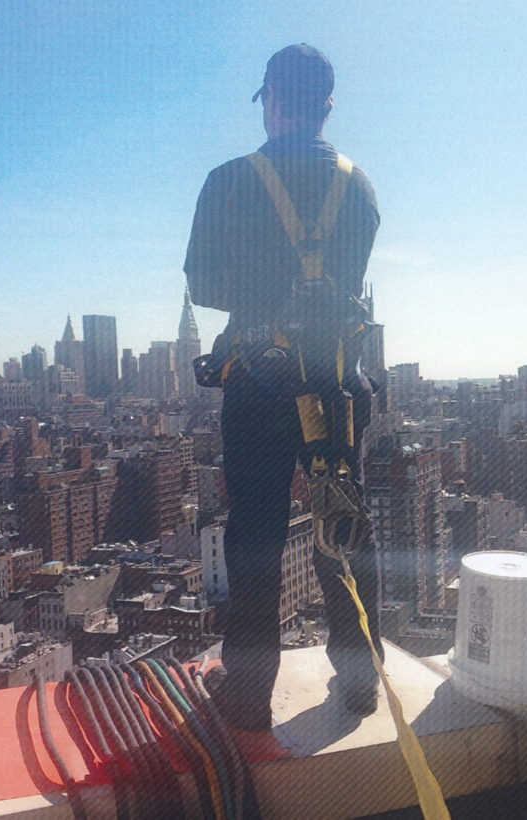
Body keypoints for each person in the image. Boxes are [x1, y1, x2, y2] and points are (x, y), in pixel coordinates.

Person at [184, 44, 384, 733]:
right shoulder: (359, 187)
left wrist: (261, 285)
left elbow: (205, 290)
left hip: (260, 386)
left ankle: (247, 693)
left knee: (255, 538)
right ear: (326, 105)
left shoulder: (229, 181)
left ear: (269, 97)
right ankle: (360, 682)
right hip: (335, 383)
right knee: (340, 521)